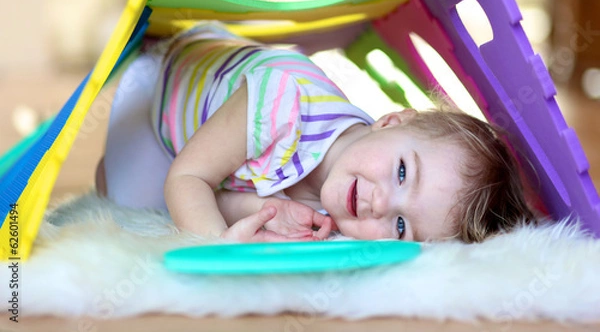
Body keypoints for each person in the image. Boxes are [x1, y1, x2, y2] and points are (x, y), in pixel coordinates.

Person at [95, 22, 536, 243]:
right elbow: (189, 180)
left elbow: (222, 195)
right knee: (126, 197)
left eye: (401, 226)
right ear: (391, 121)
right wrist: (217, 255)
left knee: (187, 199)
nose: (380, 203)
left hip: (213, 150)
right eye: (402, 173)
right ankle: (156, 37)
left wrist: (260, 211)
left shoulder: (331, 216)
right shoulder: (280, 102)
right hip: (165, 82)